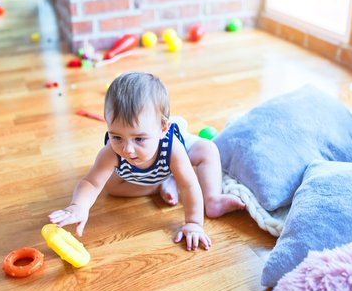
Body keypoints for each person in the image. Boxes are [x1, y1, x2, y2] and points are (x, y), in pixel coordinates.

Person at [49, 72, 245, 251]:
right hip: (146, 175)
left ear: (162, 129)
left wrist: (193, 223)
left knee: (208, 149)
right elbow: (91, 182)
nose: (128, 149)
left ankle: (213, 199)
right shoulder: (111, 152)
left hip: (170, 157)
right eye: (117, 137)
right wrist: (78, 206)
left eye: (139, 139)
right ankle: (161, 184)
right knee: (112, 188)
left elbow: (189, 185)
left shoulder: (173, 148)